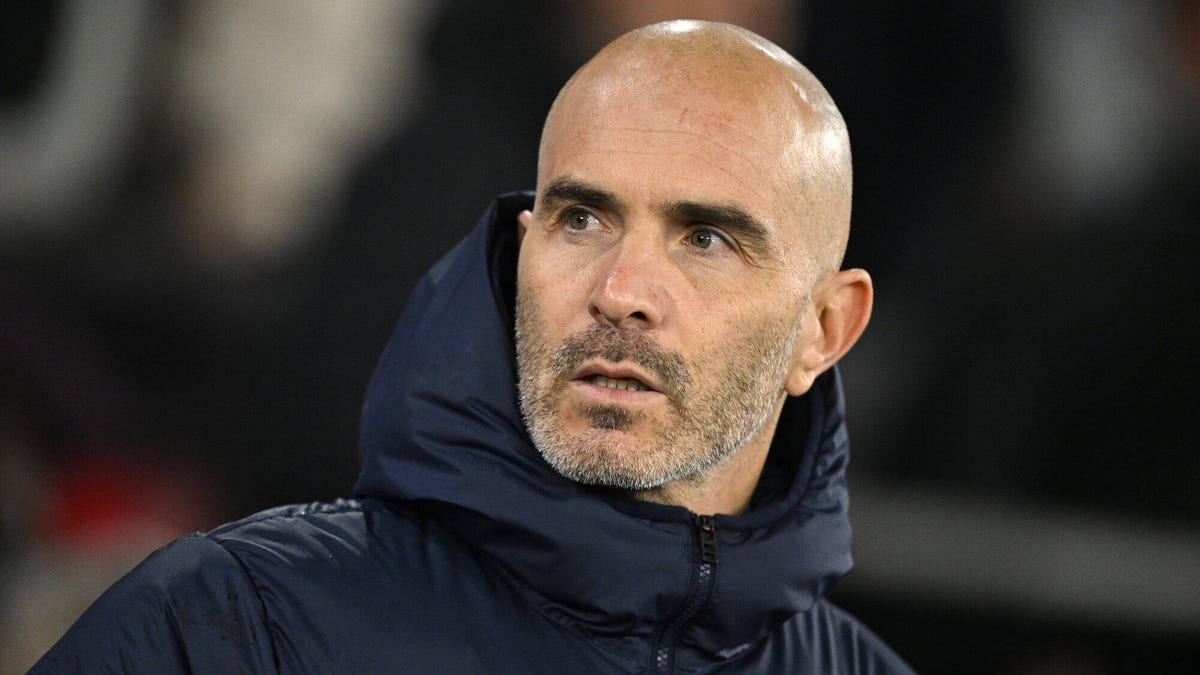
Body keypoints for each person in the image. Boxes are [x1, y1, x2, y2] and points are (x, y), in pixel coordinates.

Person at [32, 21, 912, 673]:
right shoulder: (226, 627)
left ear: (824, 330)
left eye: (706, 239)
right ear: (522, 249)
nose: (619, 292)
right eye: (582, 219)